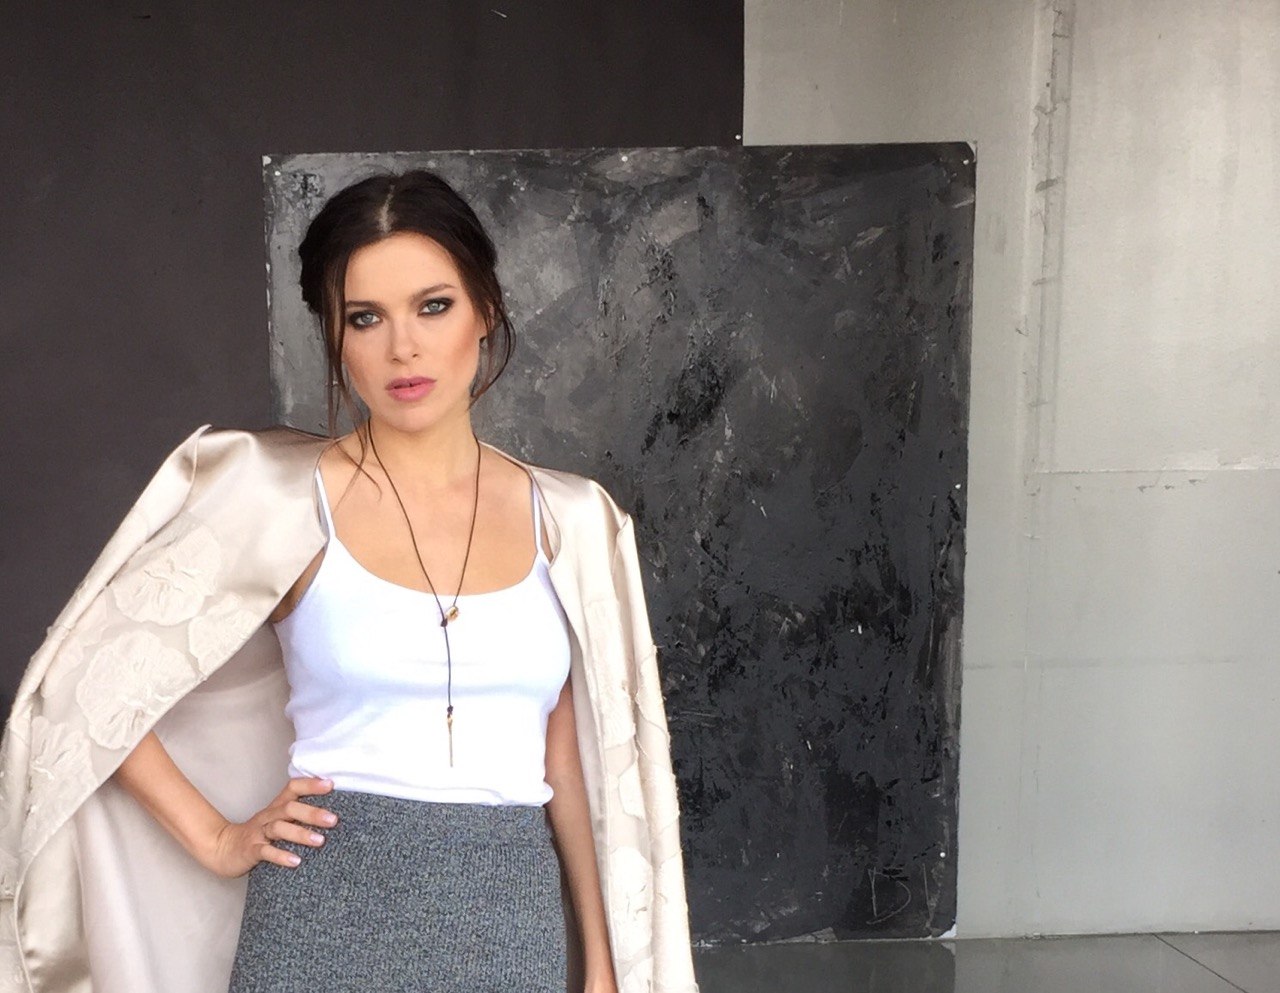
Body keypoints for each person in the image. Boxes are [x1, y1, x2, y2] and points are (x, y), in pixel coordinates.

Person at [0, 170, 699, 993]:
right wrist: (218, 837)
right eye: (365, 317)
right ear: (334, 337)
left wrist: (604, 966)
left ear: (486, 309)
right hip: (320, 919)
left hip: (508, 920)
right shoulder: (276, 497)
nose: (403, 347)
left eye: (432, 306)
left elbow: (572, 766)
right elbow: (85, 681)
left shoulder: (572, 522)